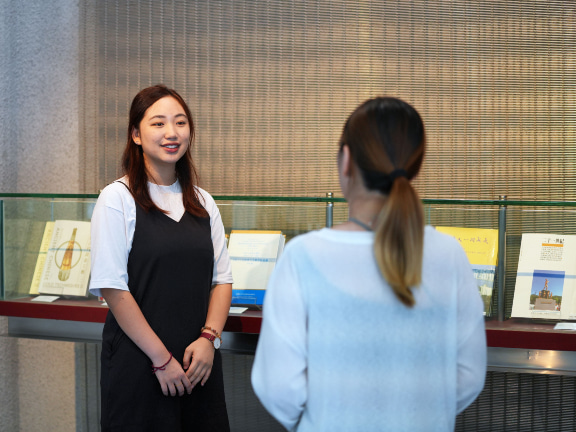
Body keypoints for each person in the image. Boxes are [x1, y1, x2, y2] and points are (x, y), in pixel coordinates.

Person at [251, 97, 487, 431]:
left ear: (346, 159)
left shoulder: (303, 256)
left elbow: (278, 387)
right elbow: (469, 376)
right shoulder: (449, 253)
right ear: (414, 165)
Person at [89, 84, 233, 431]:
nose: (172, 133)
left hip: (199, 361)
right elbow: (113, 288)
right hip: (140, 363)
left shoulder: (203, 201)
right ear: (136, 135)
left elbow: (222, 280)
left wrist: (209, 339)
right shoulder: (116, 198)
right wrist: (160, 359)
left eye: (180, 122)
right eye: (158, 123)